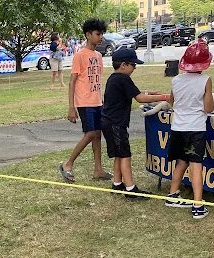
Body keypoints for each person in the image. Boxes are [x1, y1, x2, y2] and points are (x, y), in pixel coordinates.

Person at [101, 48, 170, 197]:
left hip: (109, 122)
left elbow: (136, 93)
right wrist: (165, 97)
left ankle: (117, 184)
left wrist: (151, 93)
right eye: (133, 64)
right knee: (125, 155)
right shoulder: (123, 78)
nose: (135, 68)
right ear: (124, 65)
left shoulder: (114, 77)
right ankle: (131, 189)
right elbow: (139, 98)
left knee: (119, 154)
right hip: (116, 124)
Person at [164, 41, 214, 219]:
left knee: (181, 162)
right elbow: (208, 107)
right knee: (196, 165)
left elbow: (171, 100)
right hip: (196, 129)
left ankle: (172, 194)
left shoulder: (176, 80)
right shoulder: (205, 80)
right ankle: (198, 204)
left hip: (178, 128)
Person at [59, 18, 111, 183]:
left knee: (97, 135)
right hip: (84, 102)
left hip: (97, 102)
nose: (100, 36)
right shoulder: (79, 55)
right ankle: (68, 164)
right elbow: (72, 81)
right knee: (90, 134)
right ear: (88, 35)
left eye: (102, 33)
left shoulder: (98, 55)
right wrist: (71, 107)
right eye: (97, 33)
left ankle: (98, 170)